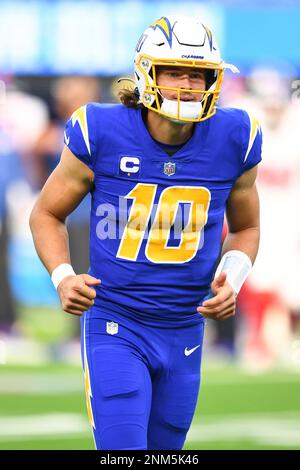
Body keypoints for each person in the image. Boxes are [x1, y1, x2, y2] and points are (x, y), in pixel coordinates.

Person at [30, 16, 262, 450]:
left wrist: (233, 277)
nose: (188, 84)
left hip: (186, 325)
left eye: (199, 74)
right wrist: (63, 276)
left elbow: (247, 227)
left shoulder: (236, 136)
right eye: (175, 71)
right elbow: (45, 213)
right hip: (118, 319)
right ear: (146, 72)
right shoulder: (101, 129)